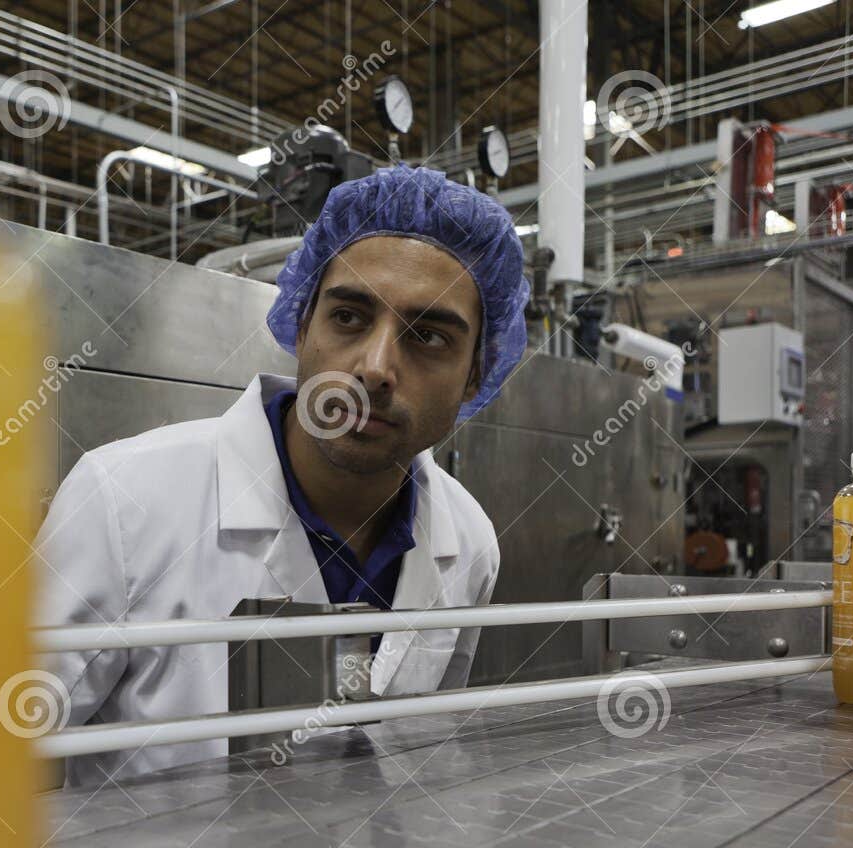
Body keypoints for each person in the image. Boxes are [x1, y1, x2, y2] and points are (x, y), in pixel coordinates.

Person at [35, 164, 530, 787]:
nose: (375, 368)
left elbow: (414, 749)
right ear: (302, 325)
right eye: (349, 318)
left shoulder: (470, 540)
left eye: (427, 335)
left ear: (477, 375)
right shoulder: (124, 499)